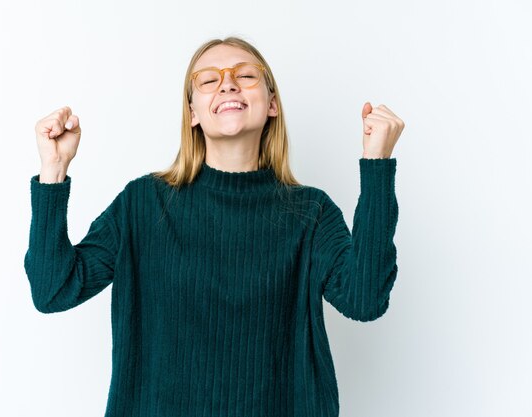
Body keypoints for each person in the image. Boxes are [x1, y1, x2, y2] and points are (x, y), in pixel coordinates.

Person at [25, 36, 404, 417]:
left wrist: (376, 165)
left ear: (272, 103)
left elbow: (365, 298)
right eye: (208, 80)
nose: (227, 83)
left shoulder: (311, 212)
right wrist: (53, 171)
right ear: (192, 112)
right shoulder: (143, 204)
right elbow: (54, 289)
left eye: (246, 75)